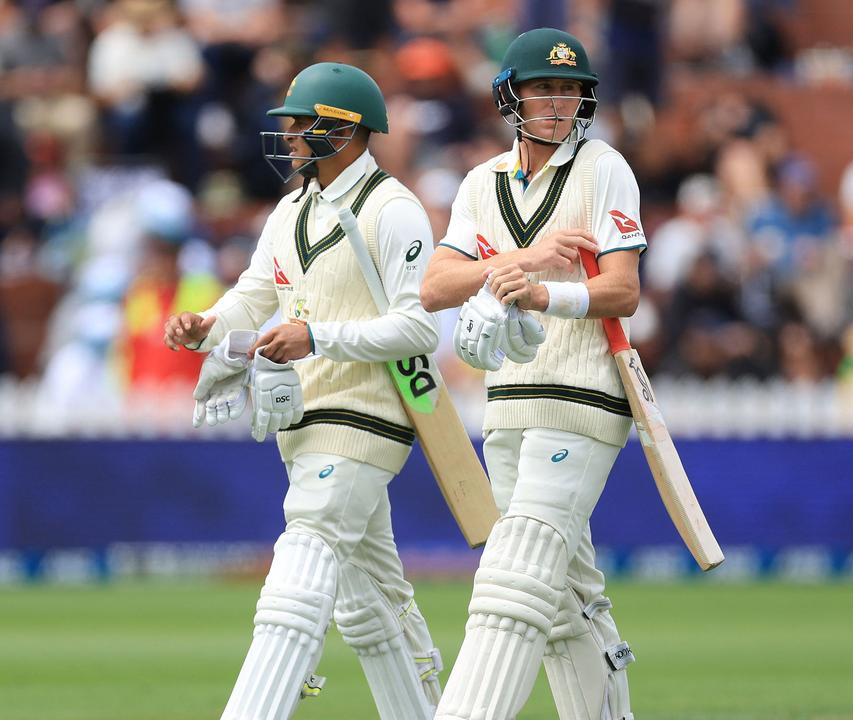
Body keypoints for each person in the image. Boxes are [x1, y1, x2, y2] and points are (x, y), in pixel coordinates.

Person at [161, 62, 442, 720]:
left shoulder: (394, 209)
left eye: (300, 123)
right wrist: (202, 328)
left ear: (345, 130)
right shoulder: (292, 208)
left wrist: (316, 339)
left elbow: (418, 326)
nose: (287, 134)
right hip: (302, 419)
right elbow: (252, 299)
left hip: (368, 418)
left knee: (301, 565)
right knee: (367, 602)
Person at [420, 28, 643, 720]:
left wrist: (547, 291)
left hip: (581, 398)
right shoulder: (480, 182)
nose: (559, 102)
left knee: (512, 580)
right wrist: (523, 259)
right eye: (544, 87)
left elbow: (624, 291)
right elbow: (435, 286)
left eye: (572, 89)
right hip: (508, 403)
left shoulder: (604, 165)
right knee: (564, 600)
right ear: (511, 95)